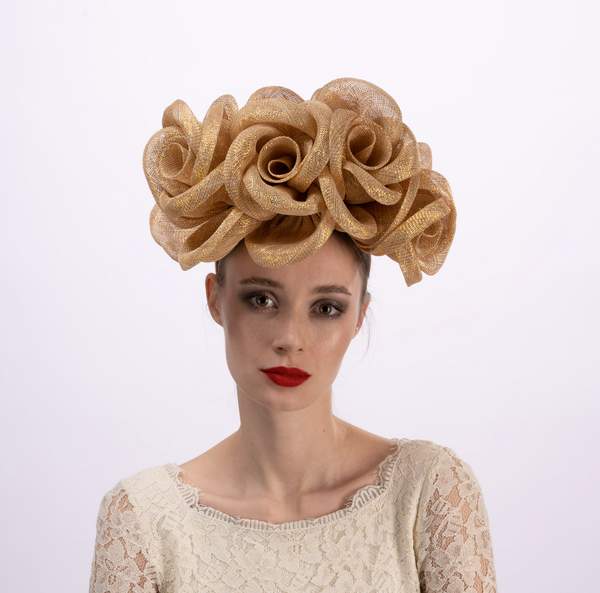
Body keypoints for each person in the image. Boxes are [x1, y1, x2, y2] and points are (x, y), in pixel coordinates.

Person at [89, 78, 497, 592]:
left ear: (359, 316)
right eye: (262, 299)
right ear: (215, 299)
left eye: (326, 308)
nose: (290, 338)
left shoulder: (429, 493)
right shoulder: (143, 521)